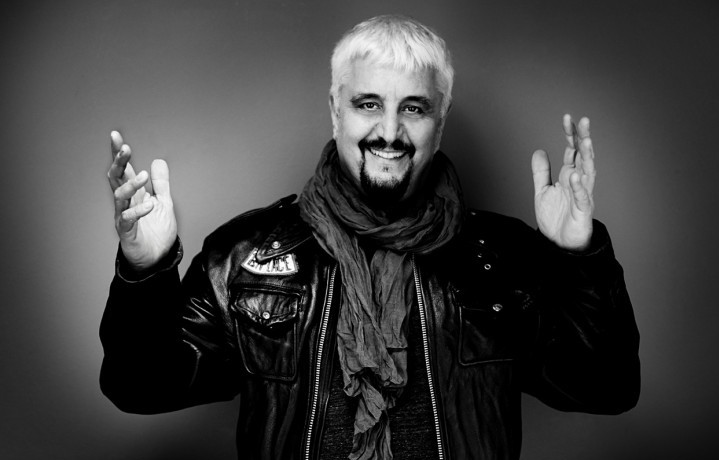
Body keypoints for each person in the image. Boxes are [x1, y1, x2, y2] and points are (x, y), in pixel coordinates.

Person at [101, 15, 640, 460]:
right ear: (335, 110)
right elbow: (140, 386)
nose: (389, 131)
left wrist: (578, 255)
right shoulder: (245, 256)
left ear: (441, 119)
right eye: (368, 104)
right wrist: (145, 270)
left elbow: (606, 388)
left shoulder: (504, 257)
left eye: (414, 108)